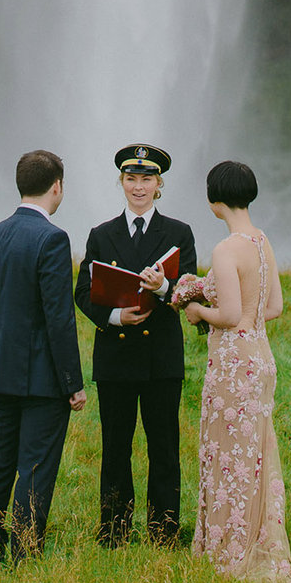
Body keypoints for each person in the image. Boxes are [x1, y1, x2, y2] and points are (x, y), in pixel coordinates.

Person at [181, 159, 291, 583]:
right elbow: (273, 308)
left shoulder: (226, 248)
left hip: (233, 362)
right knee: (254, 452)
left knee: (227, 452)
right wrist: (246, 318)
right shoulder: (262, 241)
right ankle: (254, 536)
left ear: (215, 201)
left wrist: (196, 309)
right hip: (261, 356)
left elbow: (230, 314)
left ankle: (229, 548)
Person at [74, 143, 197, 546]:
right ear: (121, 182)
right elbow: (83, 292)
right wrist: (114, 317)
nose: (138, 186)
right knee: (115, 448)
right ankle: (113, 533)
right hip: (116, 357)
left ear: (159, 184)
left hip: (161, 359)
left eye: (146, 179)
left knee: (164, 447)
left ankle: (164, 532)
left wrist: (164, 287)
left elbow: (193, 292)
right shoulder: (101, 234)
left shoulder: (179, 233)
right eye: (131, 179)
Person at [0, 149, 87, 564]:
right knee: (36, 470)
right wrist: (72, 384)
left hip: (1, 372)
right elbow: (59, 319)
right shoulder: (52, 239)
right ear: (56, 186)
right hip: (42, 380)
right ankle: (24, 555)